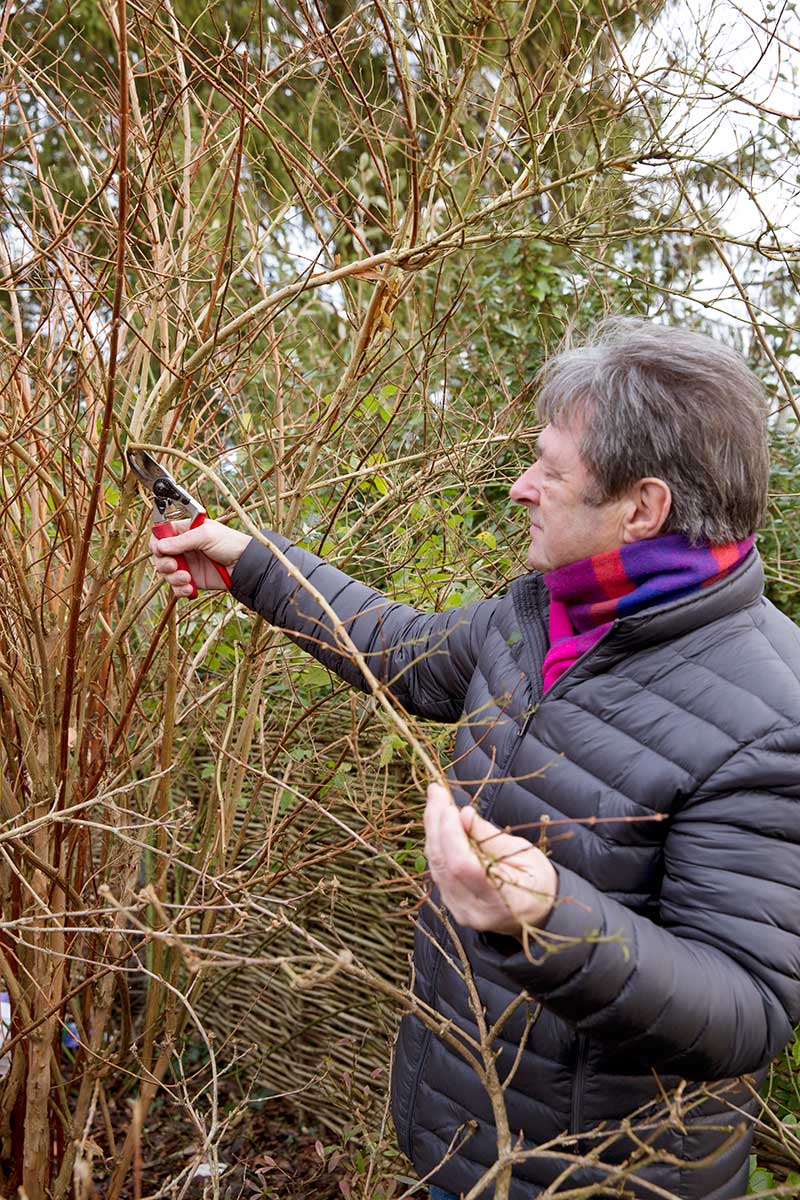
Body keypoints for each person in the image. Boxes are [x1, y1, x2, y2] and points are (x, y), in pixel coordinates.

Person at [150, 318, 800, 1200]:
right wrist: (247, 561)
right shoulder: (542, 615)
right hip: (463, 1135)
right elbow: (399, 648)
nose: (521, 487)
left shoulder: (770, 718)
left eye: (550, 471)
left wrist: (544, 916)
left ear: (642, 508)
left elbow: (748, 1011)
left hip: (592, 1179)